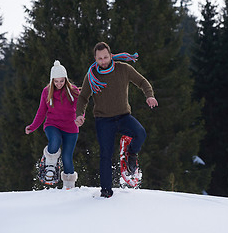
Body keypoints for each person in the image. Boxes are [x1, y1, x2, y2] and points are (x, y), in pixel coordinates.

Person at [75, 42, 158, 198]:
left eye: (106, 57)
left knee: (140, 133)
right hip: (103, 121)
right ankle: (106, 190)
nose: (103, 61)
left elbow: (142, 82)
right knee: (105, 154)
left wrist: (149, 95)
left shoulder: (123, 69)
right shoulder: (92, 76)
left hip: (123, 116)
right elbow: (83, 97)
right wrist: (80, 114)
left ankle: (131, 154)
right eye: (100, 58)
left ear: (111, 55)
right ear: (95, 59)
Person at [25, 60, 79, 189]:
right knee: (55, 140)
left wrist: (80, 118)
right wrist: (32, 126)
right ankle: (49, 163)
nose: (59, 84)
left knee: (67, 157)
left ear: (66, 79)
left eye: (62, 81)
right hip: (52, 124)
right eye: (56, 81)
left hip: (71, 128)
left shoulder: (74, 91)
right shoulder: (46, 91)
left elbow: (80, 109)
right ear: (52, 80)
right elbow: (41, 112)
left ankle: (69, 187)